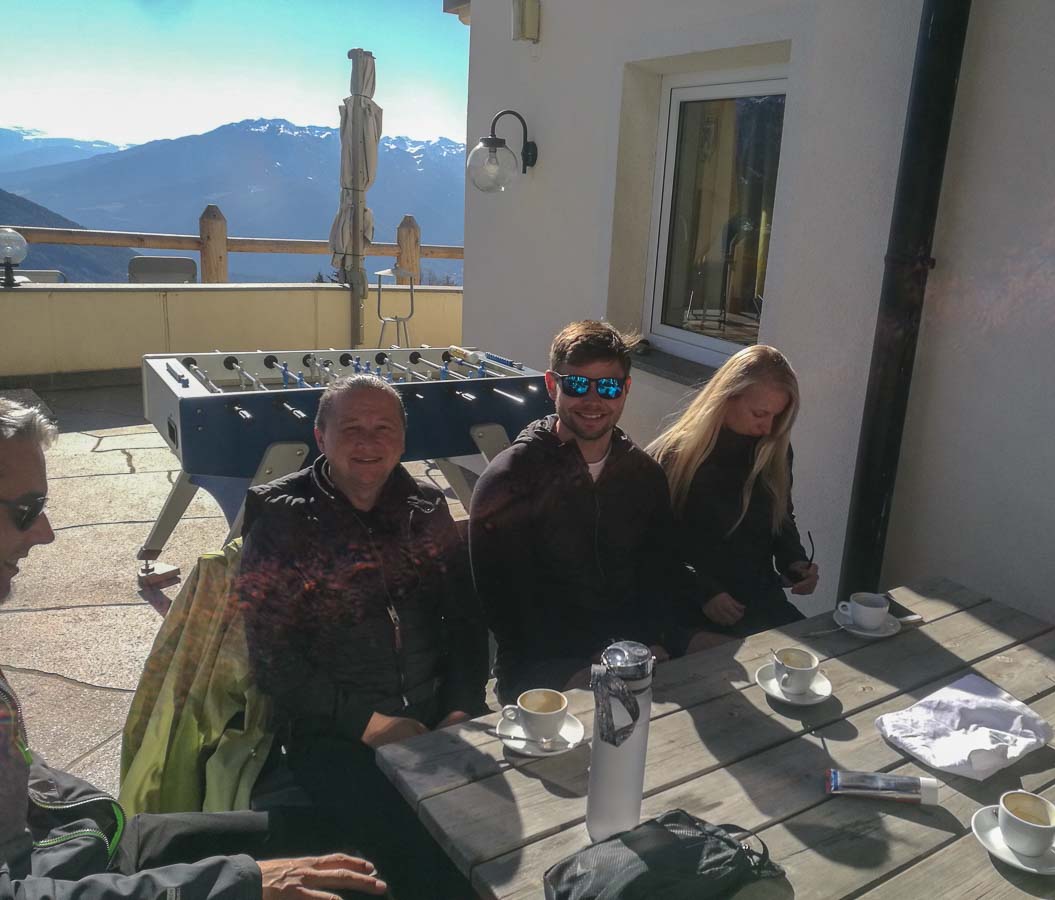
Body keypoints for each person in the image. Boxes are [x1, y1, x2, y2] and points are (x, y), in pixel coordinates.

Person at [0, 397, 387, 900]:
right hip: (59, 874)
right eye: (26, 510)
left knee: (344, 839)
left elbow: (23, 773)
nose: (46, 532)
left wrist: (93, 811)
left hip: (84, 844)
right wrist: (241, 883)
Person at [236, 374, 488, 898]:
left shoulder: (425, 507)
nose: (368, 442)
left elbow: (465, 621)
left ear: (403, 438)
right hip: (337, 735)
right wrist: (372, 725)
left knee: (500, 834)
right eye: (351, 428)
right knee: (417, 864)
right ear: (321, 437)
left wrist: (460, 707)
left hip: (439, 714)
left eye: (383, 428)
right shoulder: (282, 520)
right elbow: (274, 661)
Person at [470, 321, 721, 702]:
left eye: (608, 387)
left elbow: (660, 572)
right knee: (614, 700)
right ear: (552, 385)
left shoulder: (643, 475)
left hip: (634, 645)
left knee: (725, 660)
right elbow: (506, 610)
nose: (593, 400)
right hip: (544, 662)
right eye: (576, 385)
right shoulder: (510, 479)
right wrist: (600, 659)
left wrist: (656, 637)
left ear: (625, 390)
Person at [647, 345, 819, 637]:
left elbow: (780, 517)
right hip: (689, 611)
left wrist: (794, 561)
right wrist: (702, 591)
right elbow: (653, 544)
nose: (768, 428)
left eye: (778, 417)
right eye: (760, 414)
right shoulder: (676, 455)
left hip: (760, 602)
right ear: (727, 397)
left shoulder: (773, 450)